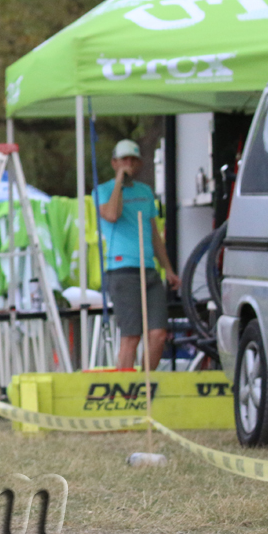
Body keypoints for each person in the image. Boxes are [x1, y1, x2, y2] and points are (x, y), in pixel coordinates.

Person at [96, 139, 181, 371]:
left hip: (149, 268)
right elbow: (112, 214)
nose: (129, 164)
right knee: (131, 336)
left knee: (158, 334)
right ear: (114, 163)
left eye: (133, 160)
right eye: (124, 159)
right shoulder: (102, 191)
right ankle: (125, 391)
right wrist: (119, 184)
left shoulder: (145, 191)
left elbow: (154, 235)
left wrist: (169, 270)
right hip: (122, 270)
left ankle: (146, 384)